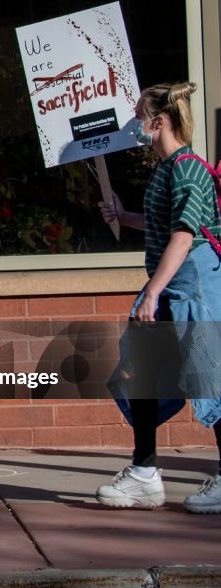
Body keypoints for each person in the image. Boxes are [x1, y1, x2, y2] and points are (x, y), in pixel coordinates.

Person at [96, 81, 221, 513]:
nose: (134, 124)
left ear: (159, 121)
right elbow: (165, 227)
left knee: (211, 379)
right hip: (174, 285)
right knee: (142, 372)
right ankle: (144, 472)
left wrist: (152, 293)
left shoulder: (188, 169)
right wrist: (124, 216)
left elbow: (184, 237)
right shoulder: (168, 169)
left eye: (138, 115)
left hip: (192, 289)